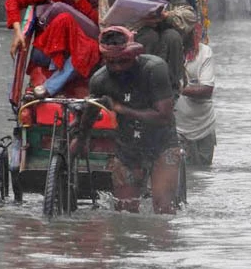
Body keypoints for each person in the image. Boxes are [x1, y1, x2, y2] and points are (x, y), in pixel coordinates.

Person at [72, 26, 181, 214]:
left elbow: (164, 116)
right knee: (124, 212)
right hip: (128, 148)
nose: (117, 68)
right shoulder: (100, 80)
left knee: (164, 212)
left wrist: (121, 109)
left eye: (123, 61)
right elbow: (90, 112)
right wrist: (80, 139)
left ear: (134, 54)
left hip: (162, 145)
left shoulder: (155, 69)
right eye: (111, 62)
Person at [5, 0, 101, 98]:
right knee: (65, 18)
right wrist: (18, 31)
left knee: (90, 47)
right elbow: (13, 0)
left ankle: (49, 88)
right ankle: (49, 87)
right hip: (50, 48)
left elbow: (98, 26)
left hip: (82, 52)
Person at [99, 0, 197, 93]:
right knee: (147, 36)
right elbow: (104, 28)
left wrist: (166, 16)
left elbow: (189, 15)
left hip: (162, 39)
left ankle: (170, 89)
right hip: (125, 46)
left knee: (172, 36)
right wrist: (138, 24)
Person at [174, 23, 216, 166]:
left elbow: (206, 90)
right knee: (182, 173)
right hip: (177, 128)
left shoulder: (204, 53)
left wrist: (178, 89)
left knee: (202, 174)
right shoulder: (168, 52)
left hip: (204, 125)